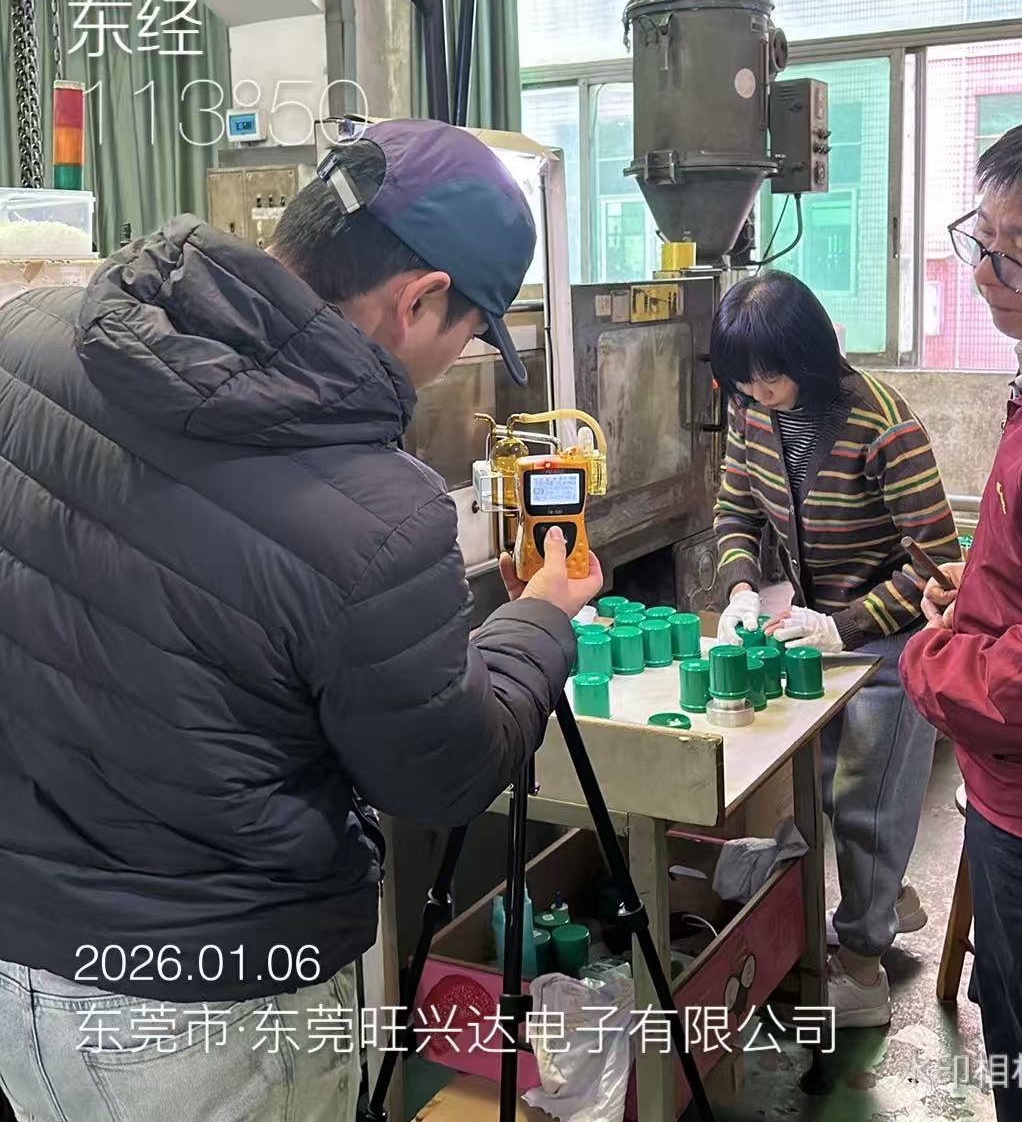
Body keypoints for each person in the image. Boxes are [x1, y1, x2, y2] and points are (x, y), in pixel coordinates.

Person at [0, 119, 601, 1122]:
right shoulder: (379, 513)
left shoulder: (25, 337)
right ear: (421, 299)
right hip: (208, 1010)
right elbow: (441, 774)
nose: (456, 358)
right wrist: (539, 618)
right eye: (467, 333)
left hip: (20, 972)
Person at [711, 271, 961, 1028]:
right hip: (813, 632)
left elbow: (938, 565)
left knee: (868, 801)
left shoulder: (882, 423)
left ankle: (862, 972)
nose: (759, 393)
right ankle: (881, 904)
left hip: (896, 638)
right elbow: (735, 508)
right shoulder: (751, 413)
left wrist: (845, 626)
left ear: (810, 355)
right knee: (825, 788)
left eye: (772, 377)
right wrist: (741, 587)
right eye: (744, 381)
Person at [900, 111, 1022, 1122]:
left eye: (1019, 253)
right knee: (1015, 1025)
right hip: (1016, 793)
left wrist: (926, 656)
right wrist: (969, 600)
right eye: (981, 239)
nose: (983, 274)